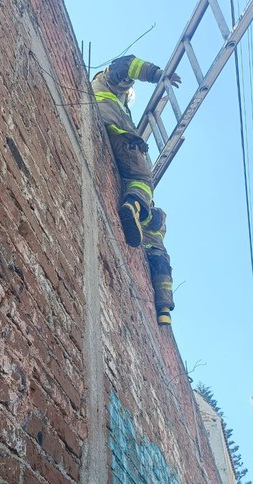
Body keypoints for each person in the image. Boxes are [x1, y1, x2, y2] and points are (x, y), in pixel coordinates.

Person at [91, 55, 180, 326]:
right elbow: (128, 63)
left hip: (111, 134)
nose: (128, 96)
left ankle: (163, 313)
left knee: (139, 182)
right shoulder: (107, 81)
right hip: (118, 135)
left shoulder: (108, 95)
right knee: (142, 179)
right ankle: (134, 205)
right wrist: (158, 74)